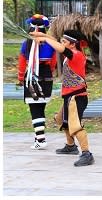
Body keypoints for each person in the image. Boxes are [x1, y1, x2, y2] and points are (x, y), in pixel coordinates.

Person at [29, 29, 95, 167]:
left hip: (77, 97)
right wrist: (41, 35)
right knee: (61, 120)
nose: (61, 43)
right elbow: (56, 42)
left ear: (72, 44)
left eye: (64, 42)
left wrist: (45, 39)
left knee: (75, 126)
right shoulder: (71, 53)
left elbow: (59, 47)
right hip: (70, 96)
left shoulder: (76, 55)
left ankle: (87, 154)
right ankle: (71, 146)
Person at [17, 14, 58, 150]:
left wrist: (20, 77)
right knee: (40, 108)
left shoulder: (26, 44)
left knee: (35, 109)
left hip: (32, 77)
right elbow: (53, 63)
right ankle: (38, 136)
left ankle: (40, 139)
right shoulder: (50, 44)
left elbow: (22, 62)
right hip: (46, 76)